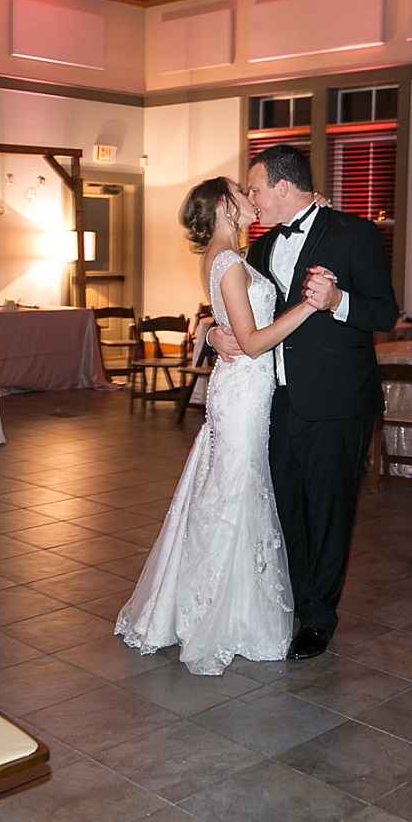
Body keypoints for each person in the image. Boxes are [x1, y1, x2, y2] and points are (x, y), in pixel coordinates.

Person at [115, 176, 318, 675]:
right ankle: (217, 613)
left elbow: (228, 321)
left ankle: (223, 602)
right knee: (235, 492)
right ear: (227, 205)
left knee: (232, 490)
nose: (252, 198)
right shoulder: (227, 262)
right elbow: (250, 342)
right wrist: (309, 308)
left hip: (246, 391)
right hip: (244, 391)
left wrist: (209, 330)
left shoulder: (230, 257)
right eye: (241, 192)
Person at [210, 144, 399, 660]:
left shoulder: (353, 233)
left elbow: (385, 313)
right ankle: (293, 600)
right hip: (273, 402)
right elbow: (237, 307)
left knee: (330, 512)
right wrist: (211, 333)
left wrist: (337, 302)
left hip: (337, 402)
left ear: (283, 188)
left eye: (255, 189)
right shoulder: (261, 248)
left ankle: (319, 618)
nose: (251, 198)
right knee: (285, 508)